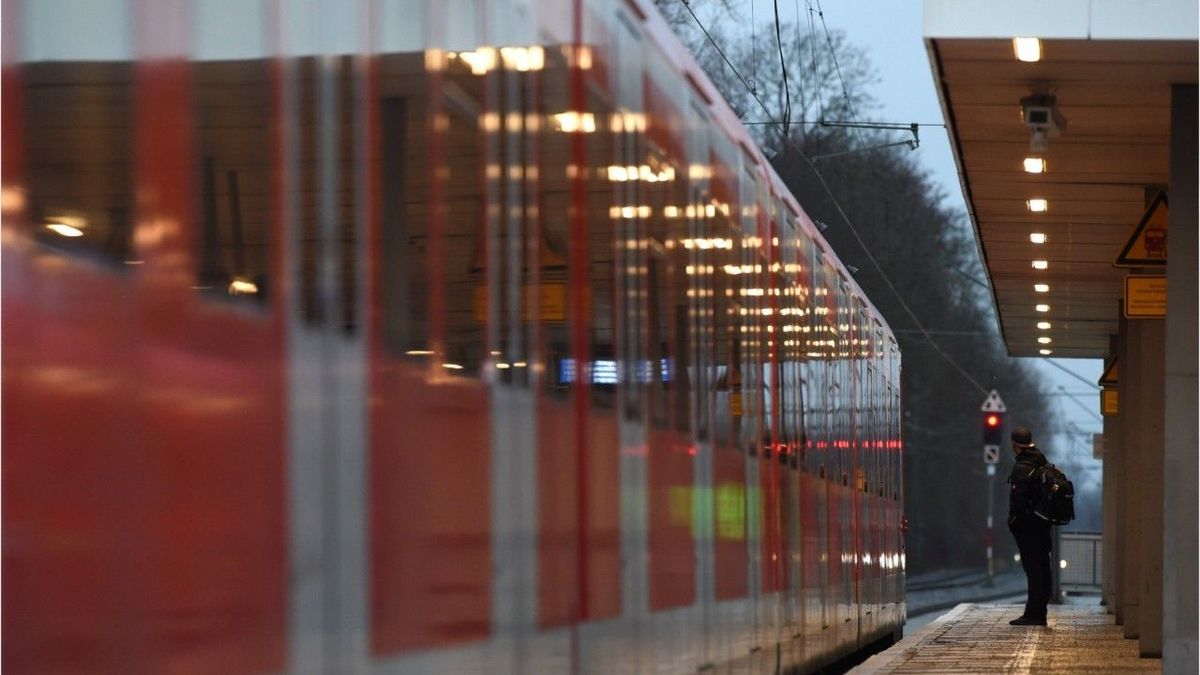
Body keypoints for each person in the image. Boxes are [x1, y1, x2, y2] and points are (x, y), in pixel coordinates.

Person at [1006, 426, 1052, 626]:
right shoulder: (1042, 461)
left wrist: (1013, 521)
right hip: (1043, 523)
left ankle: (1033, 614)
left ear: (1015, 446)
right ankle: (1040, 611)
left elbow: (1018, 501)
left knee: (1032, 568)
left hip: (1028, 526)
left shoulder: (1022, 467)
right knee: (1043, 567)